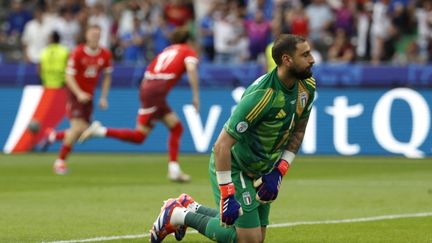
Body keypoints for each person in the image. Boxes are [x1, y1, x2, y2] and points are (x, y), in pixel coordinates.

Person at [148, 34, 316, 243]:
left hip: (263, 169)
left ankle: (191, 207)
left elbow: (298, 132)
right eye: (305, 54)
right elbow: (221, 145)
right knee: (248, 240)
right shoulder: (262, 96)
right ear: (287, 60)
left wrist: (280, 171)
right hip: (237, 167)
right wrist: (228, 192)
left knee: (256, 238)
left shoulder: (307, 87)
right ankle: (177, 215)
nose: (312, 59)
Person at [78, 27, 200, 183]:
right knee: (140, 136)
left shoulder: (167, 50)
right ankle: (99, 131)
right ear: (189, 41)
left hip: (149, 87)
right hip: (157, 91)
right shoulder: (187, 50)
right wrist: (196, 96)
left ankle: (174, 170)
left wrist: (148, 92)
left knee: (176, 127)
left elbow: (148, 72)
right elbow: (191, 69)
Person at [53, 24, 113, 175]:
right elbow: (68, 76)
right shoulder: (77, 53)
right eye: (92, 34)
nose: (95, 37)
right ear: (86, 36)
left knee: (83, 132)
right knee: (78, 128)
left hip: (89, 96)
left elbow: (107, 76)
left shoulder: (105, 54)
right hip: (75, 95)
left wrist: (104, 97)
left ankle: (54, 136)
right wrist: (79, 93)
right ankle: (60, 162)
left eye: (98, 35)